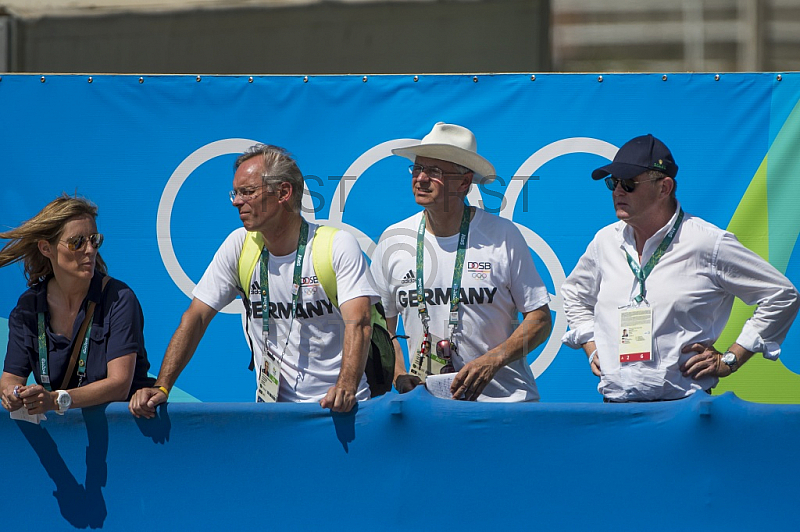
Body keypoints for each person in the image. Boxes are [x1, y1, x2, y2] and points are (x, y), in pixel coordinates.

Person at [129, 144, 377, 417]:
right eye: (235, 193)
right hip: (273, 416)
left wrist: (345, 386)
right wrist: (163, 386)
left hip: (338, 411)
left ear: (283, 192)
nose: (236, 201)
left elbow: (360, 323)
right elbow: (196, 317)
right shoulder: (239, 245)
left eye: (247, 192)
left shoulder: (336, 245)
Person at [561, 134, 800, 402]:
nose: (617, 191)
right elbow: (574, 293)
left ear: (664, 187)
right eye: (613, 183)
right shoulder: (605, 241)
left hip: (683, 412)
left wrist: (732, 358)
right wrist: (591, 346)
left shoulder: (707, 242)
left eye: (628, 184)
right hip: (615, 407)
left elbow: (781, 295)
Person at [370, 122, 552, 401]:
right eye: (417, 169)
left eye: (434, 171)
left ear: (465, 182)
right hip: (428, 410)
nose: (420, 178)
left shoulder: (502, 236)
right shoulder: (393, 240)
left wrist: (493, 360)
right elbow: (383, 327)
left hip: (503, 406)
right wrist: (398, 374)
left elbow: (540, 320)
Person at [0, 195, 153, 416]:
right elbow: (11, 378)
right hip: (66, 437)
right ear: (46, 248)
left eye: (94, 240)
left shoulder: (119, 298)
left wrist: (56, 400)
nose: (90, 249)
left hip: (125, 433)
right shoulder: (28, 306)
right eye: (77, 242)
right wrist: (13, 393)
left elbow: (119, 385)